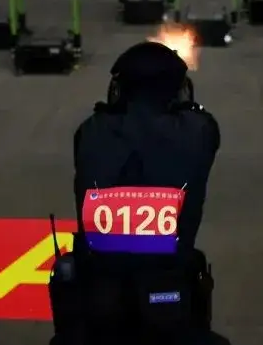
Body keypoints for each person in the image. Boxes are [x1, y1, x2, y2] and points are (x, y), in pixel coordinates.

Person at [52, 42, 222, 345]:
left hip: (98, 299)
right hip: (169, 297)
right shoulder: (199, 131)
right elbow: (202, 124)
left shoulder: (90, 131)